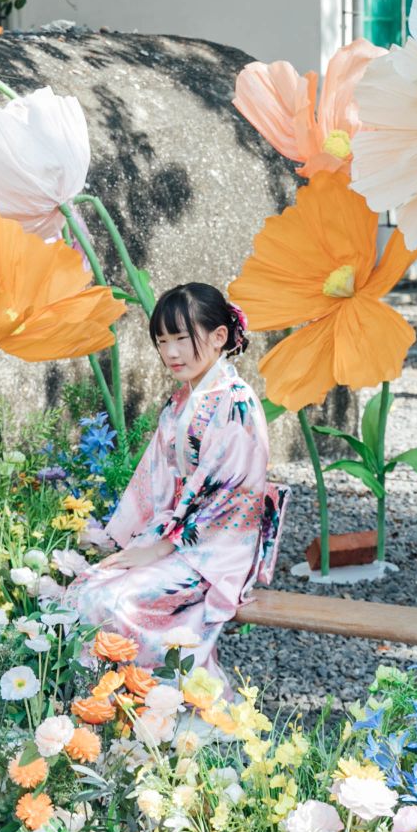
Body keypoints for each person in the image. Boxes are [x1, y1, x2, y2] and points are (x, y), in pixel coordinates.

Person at [63, 284, 282, 672]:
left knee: (115, 601)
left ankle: (169, 692)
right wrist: (127, 539)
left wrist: (158, 550)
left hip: (217, 548)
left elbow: (228, 500)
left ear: (219, 336)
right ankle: (110, 694)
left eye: (181, 338)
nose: (171, 353)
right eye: (162, 341)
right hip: (177, 535)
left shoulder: (238, 404)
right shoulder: (182, 400)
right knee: (84, 590)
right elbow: (155, 478)